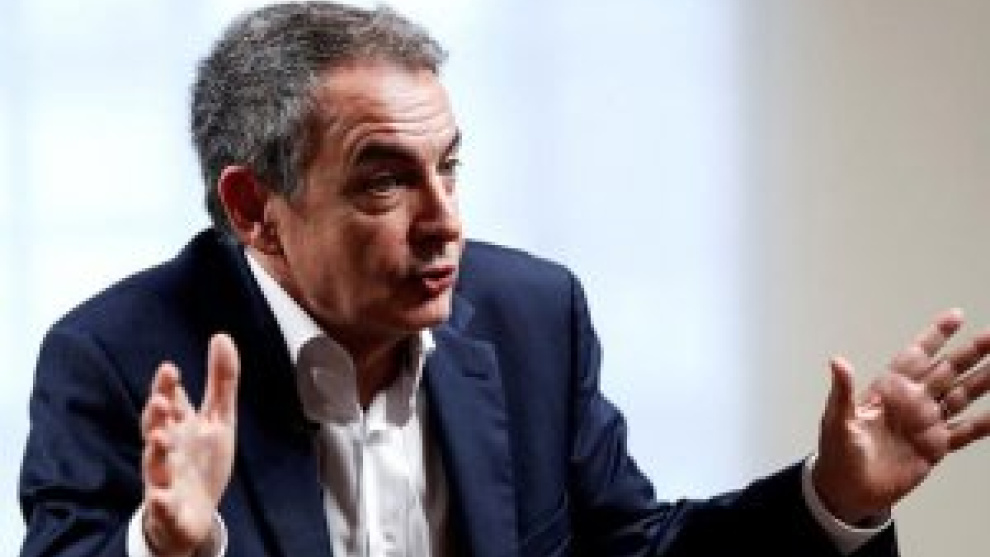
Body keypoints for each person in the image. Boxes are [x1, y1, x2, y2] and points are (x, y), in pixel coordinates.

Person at [18, 2, 990, 556]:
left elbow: (632, 551)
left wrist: (833, 496)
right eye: (385, 181)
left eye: (449, 167)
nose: (444, 219)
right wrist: (163, 547)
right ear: (253, 207)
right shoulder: (114, 357)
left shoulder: (531, 316)